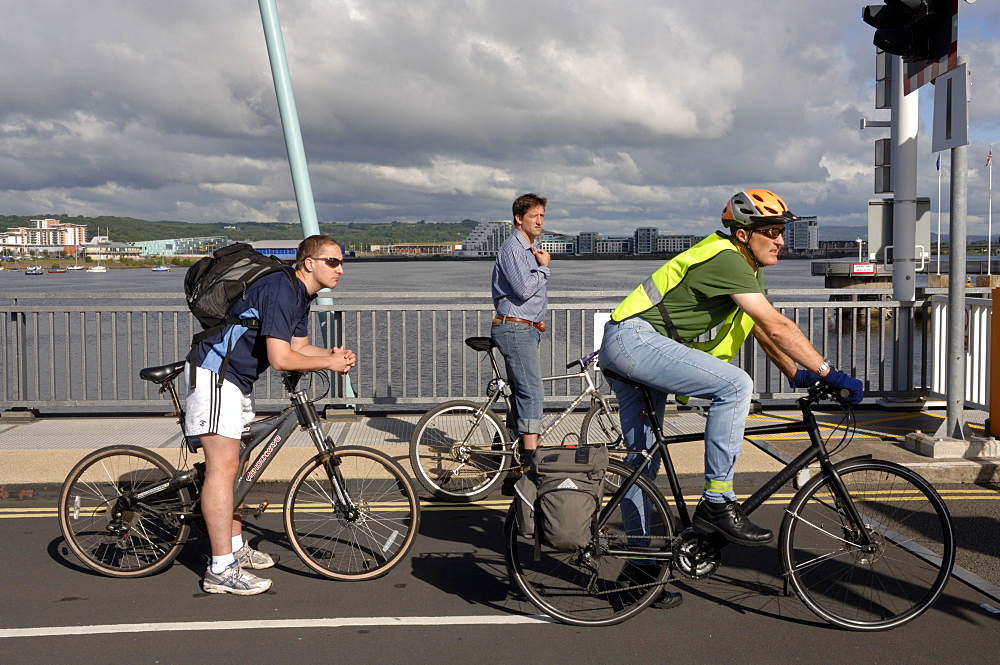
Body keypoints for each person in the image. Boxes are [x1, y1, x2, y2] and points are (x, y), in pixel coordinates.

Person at [600, 189, 863, 549]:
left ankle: (640, 571)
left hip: (629, 343)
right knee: (736, 386)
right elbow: (776, 325)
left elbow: (756, 325)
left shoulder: (743, 264)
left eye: (781, 231)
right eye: (771, 232)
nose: (781, 241)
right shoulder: (727, 260)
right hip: (635, 340)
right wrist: (828, 372)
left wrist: (795, 373)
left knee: (642, 464)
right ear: (743, 234)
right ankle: (718, 502)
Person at [185, 235, 356, 595]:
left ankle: (233, 548)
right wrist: (326, 363)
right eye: (333, 262)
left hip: (236, 380)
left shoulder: (299, 295)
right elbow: (280, 359)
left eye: (342, 262)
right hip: (217, 375)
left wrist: (331, 354)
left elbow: (298, 347)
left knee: (241, 466)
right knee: (224, 467)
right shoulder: (281, 288)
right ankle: (219, 568)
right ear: (309, 263)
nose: (341, 269)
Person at [491, 193, 550, 470]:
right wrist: (544, 268)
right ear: (519, 218)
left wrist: (537, 319)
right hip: (515, 329)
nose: (539, 221)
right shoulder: (514, 248)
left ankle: (502, 454)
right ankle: (529, 461)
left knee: (520, 393)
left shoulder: (528, 248)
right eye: (533, 216)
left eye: (542, 216)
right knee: (532, 392)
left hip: (524, 327)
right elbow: (524, 289)